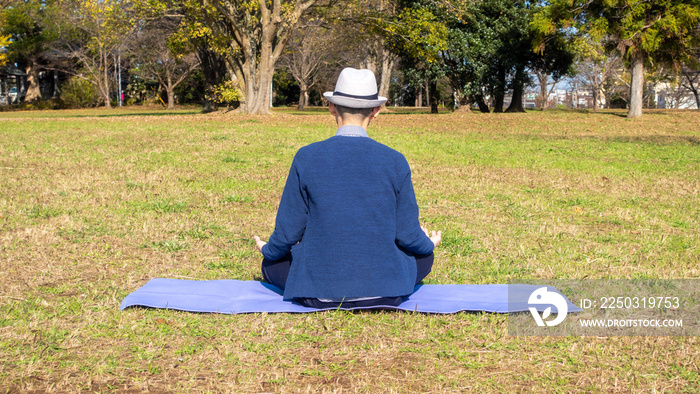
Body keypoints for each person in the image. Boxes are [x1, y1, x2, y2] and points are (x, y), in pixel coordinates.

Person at [253, 68, 441, 308]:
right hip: (386, 290)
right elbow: (407, 234)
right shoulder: (395, 160)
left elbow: (289, 232)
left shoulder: (307, 157)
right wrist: (429, 244)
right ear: (376, 111)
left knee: (271, 265)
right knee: (424, 258)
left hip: (316, 289)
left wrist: (268, 251)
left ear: (331, 106)